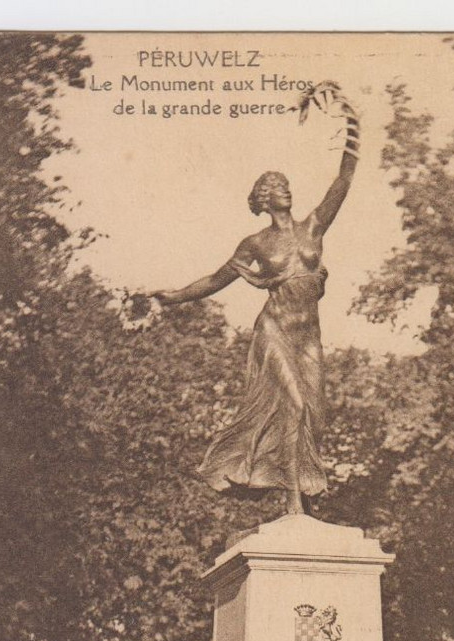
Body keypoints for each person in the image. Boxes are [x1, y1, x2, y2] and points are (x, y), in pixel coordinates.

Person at [153, 82, 360, 515]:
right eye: (274, 185)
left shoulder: (313, 228)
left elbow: (342, 181)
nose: (283, 188)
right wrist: (171, 298)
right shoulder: (255, 243)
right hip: (275, 330)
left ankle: (290, 484)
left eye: (284, 183)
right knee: (294, 405)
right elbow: (214, 279)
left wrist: (351, 124)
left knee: (316, 414)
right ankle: (294, 506)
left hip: (309, 336)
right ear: (264, 199)